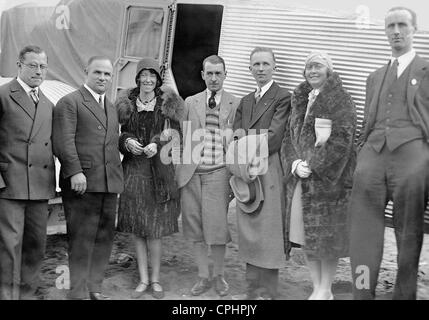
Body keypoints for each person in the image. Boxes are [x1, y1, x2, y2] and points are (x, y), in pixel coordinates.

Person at [348, 7, 429, 300]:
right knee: (362, 234)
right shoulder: (375, 76)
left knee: (408, 235)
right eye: (390, 26)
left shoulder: (426, 70)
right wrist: (362, 153)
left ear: (414, 29)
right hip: (373, 153)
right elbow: (369, 120)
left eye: (402, 25)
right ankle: (361, 293)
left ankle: (404, 296)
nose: (396, 31)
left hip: (412, 155)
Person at [281, 51, 357, 300]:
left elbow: (342, 140)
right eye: (308, 67)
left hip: (329, 182)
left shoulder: (341, 99)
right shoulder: (299, 98)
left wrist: (313, 164)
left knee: (328, 239)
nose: (312, 71)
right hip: (302, 180)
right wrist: (294, 164)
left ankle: (326, 288)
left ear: (329, 71)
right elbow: (289, 136)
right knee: (307, 237)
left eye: (318, 67)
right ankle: (316, 287)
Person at [53, 56, 124, 300]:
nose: (103, 78)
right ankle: (77, 293)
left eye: (107, 74)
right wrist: (75, 172)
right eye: (97, 73)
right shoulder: (70, 102)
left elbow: (112, 142)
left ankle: (95, 288)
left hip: (107, 182)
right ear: (86, 72)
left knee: (104, 237)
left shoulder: (111, 106)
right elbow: (63, 141)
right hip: (82, 184)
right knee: (82, 239)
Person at [115, 58, 184, 299]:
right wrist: (127, 142)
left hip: (159, 172)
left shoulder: (167, 105)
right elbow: (118, 133)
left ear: (158, 79)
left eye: (152, 75)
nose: (147, 79)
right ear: (137, 78)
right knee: (137, 228)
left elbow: (175, 134)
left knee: (154, 229)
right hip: (134, 171)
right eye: (143, 75)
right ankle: (142, 279)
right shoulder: (126, 104)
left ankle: (155, 280)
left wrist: (157, 143)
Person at [175, 55, 239, 297]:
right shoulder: (190, 102)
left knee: (217, 228)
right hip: (192, 174)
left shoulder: (235, 103)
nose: (213, 78)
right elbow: (179, 137)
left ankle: (219, 276)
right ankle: (203, 276)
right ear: (202, 75)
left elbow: (240, 140)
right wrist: (180, 169)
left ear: (225, 74)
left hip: (218, 173)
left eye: (218, 73)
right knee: (194, 227)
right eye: (209, 73)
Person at [231, 47, 291, 300]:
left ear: (275, 67)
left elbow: (274, 138)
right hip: (247, 170)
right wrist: (242, 143)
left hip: (269, 170)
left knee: (268, 231)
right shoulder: (245, 101)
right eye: (256, 64)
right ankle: (252, 287)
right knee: (249, 228)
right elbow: (234, 134)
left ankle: (268, 291)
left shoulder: (283, 97)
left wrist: (244, 142)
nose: (261, 69)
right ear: (250, 69)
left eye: (266, 64)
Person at [0, 45, 55, 300]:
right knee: (9, 247)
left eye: (43, 66)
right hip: (10, 185)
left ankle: (28, 295)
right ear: (19, 66)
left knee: (35, 246)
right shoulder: (3, 95)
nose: (38, 71)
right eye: (32, 65)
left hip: (39, 186)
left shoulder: (46, 102)